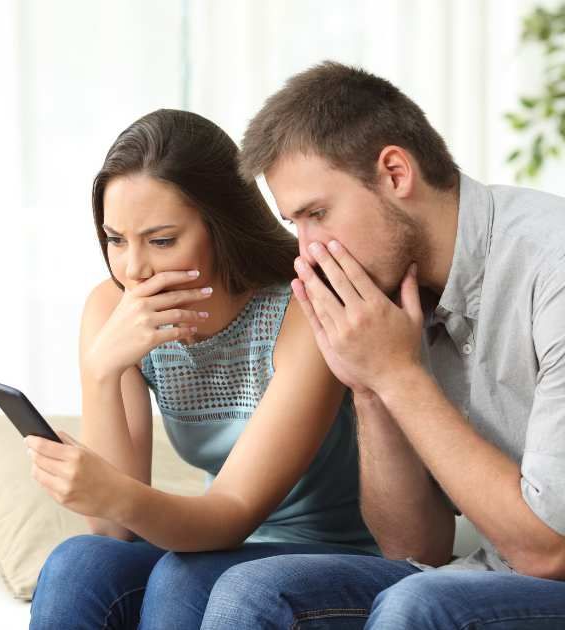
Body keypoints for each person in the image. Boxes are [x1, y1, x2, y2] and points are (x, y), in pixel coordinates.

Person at [197, 60, 565, 629]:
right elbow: (414, 547)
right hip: (491, 576)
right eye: (296, 224)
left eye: (318, 214)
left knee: (420, 604)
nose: (308, 250)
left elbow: (549, 551)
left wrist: (398, 375)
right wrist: (368, 387)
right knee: (254, 590)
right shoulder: (394, 295)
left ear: (395, 173)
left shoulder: (551, 266)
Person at [27, 109, 376, 630]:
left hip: (329, 556)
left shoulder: (302, 307)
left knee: (184, 577)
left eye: (162, 240)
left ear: (220, 227)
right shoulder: (113, 309)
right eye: (116, 239)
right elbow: (112, 530)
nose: (133, 269)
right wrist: (102, 371)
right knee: (78, 563)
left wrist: (113, 492)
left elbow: (232, 512)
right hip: (215, 547)